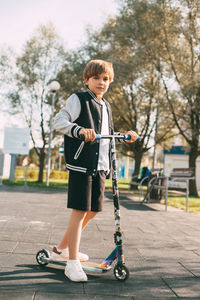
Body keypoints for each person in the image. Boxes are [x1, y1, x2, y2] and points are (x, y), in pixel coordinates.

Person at [53, 59, 138, 282]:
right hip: (82, 165)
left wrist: (124, 136)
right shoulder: (78, 99)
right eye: (97, 78)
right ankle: (71, 263)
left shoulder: (106, 106)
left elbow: (106, 136)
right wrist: (78, 130)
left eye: (106, 79)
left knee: (93, 210)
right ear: (86, 80)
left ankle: (62, 247)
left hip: (100, 166)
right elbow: (58, 121)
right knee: (79, 210)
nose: (101, 82)